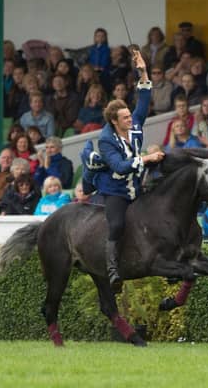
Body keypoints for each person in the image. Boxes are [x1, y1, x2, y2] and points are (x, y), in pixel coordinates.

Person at [88, 50, 165, 292]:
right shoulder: (106, 140)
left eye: (130, 115)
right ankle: (112, 270)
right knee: (118, 225)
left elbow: (143, 98)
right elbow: (120, 166)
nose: (131, 118)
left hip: (137, 186)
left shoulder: (135, 125)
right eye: (125, 117)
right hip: (116, 191)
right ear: (114, 121)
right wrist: (147, 157)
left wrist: (142, 71)